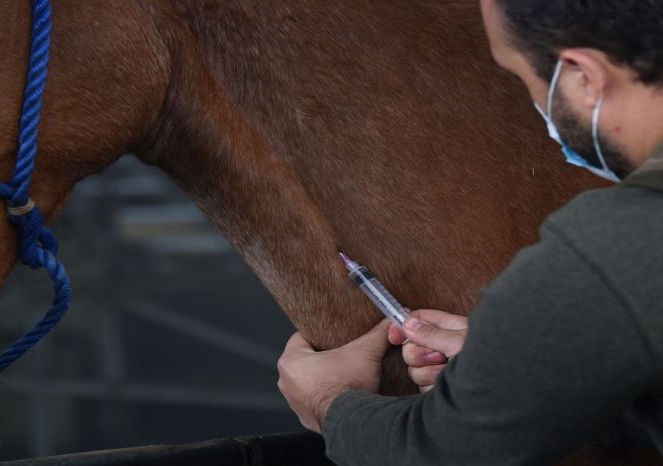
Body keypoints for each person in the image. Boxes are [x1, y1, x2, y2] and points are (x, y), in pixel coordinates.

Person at [276, 1, 663, 464]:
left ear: (584, 75)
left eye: (520, 77)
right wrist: (535, 381)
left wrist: (329, 402)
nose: (536, 103)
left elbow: (444, 452)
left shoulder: (618, 241)